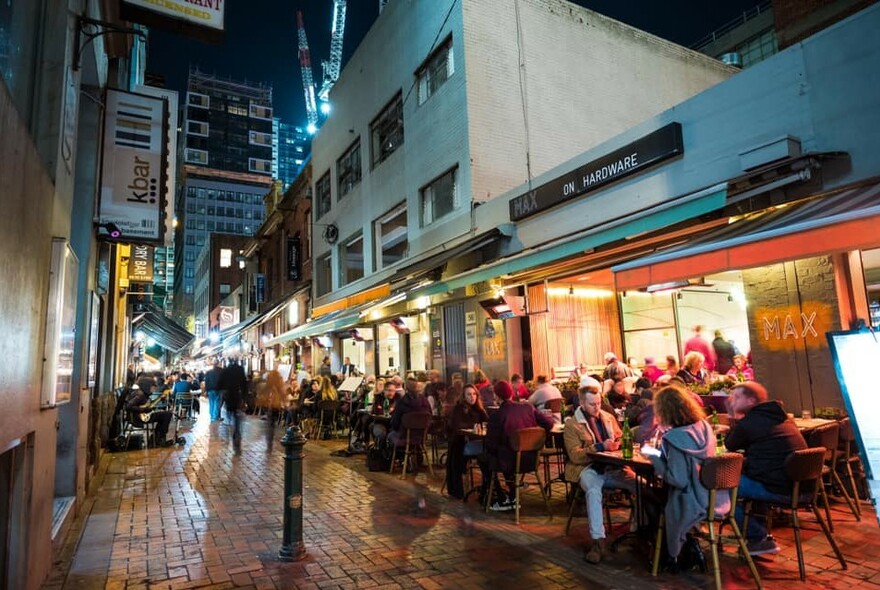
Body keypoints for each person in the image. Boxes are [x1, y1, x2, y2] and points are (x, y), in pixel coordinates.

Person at [642, 385, 729, 567]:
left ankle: (669, 554)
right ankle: (688, 543)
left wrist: (653, 457)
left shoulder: (673, 438)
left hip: (691, 499)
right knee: (657, 496)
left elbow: (678, 480)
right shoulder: (703, 427)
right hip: (714, 495)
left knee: (647, 494)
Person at [724, 381, 807, 556]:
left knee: (723, 487)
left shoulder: (749, 422)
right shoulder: (782, 417)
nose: (732, 400)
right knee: (742, 477)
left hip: (779, 488)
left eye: (737, 397)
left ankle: (757, 538)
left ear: (751, 401)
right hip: (802, 486)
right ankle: (755, 529)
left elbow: (730, 444)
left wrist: (733, 416)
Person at [563, 387, 636, 564]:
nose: (597, 407)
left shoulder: (608, 418)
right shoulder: (572, 424)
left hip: (613, 467)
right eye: (592, 404)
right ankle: (598, 541)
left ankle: (639, 530)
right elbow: (575, 456)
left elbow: (620, 437)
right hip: (588, 468)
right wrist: (599, 447)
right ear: (581, 403)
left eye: (598, 403)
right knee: (594, 491)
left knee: (641, 484)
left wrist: (618, 443)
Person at [479, 381, 554, 511]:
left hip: (509, 462)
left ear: (496, 397)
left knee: (484, 457)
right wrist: (538, 437)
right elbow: (548, 423)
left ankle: (502, 498)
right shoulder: (528, 408)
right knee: (506, 452)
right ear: (512, 393)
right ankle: (513, 494)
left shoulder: (497, 416)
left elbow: (491, 444)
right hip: (531, 460)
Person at [445, 384, 489, 499]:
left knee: (488, 453)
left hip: (478, 442)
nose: (472, 397)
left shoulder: (479, 409)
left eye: (474, 394)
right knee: (483, 453)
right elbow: (456, 426)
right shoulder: (459, 409)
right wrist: (474, 426)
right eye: (469, 394)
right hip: (463, 442)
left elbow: (487, 423)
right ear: (464, 397)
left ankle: (488, 486)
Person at [218, 360, 248, 450]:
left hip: (229, 397)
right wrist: (244, 397)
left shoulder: (225, 371)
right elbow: (244, 384)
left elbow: (219, 385)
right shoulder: (240, 370)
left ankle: (233, 432)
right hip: (237, 396)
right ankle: (236, 434)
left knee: (230, 415)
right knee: (237, 417)